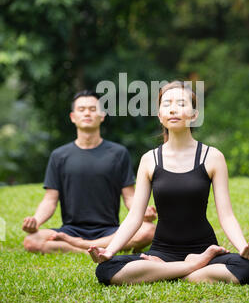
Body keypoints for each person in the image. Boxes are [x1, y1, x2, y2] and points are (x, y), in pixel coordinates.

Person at [89, 81, 249, 286]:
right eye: (167, 104)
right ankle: (192, 268)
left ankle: (165, 272)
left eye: (181, 103)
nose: (173, 109)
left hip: (204, 248)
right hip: (161, 252)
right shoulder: (149, 160)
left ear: (194, 114)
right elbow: (135, 216)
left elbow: (226, 215)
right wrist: (110, 251)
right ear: (159, 115)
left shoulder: (212, 157)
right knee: (106, 269)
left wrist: (243, 248)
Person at [22, 90, 157, 254]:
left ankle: (76, 246)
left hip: (109, 230)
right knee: (31, 241)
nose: (87, 113)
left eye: (93, 109)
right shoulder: (59, 156)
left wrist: (143, 213)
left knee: (149, 230)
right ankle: (92, 248)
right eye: (81, 109)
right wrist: (36, 221)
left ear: (102, 115)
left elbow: (129, 196)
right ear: (73, 117)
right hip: (70, 230)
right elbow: (50, 200)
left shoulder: (118, 153)